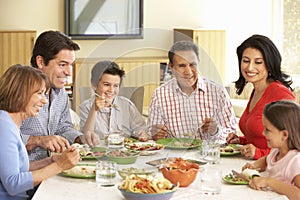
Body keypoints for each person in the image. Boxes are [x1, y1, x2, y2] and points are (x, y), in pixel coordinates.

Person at [0, 64, 80, 200]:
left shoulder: (9, 122)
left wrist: (50, 161)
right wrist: (59, 166)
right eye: (39, 93)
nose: (44, 100)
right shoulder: (4, 127)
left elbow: (17, 169)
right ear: (20, 93)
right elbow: (13, 183)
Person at [148, 40, 237, 142]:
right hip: (174, 156)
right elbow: (153, 134)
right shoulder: (160, 95)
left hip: (208, 155)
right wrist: (155, 135)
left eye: (192, 64)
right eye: (182, 66)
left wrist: (216, 131)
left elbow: (233, 134)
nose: (188, 72)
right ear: (171, 67)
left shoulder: (218, 92)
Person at [226, 34, 296, 160]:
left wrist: (259, 153)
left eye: (258, 62)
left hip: (274, 172)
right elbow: (260, 138)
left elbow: (292, 147)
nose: (250, 67)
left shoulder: (281, 95)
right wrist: (241, 141)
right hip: (254, 165)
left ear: (269, 64)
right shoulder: (257, 90)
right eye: (246, 61)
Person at [20, 30, 83, 162]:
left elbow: (63, 128)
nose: (68, 72)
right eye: (62, 65)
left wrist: (80, 138)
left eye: (70, 65)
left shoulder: (61, 94)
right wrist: (37, 140)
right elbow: (4, 137)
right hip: (23, 172)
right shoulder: (18, 91)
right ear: (41, 62)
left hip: (48, 165)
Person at [79, 60, 149, 147]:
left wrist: (142, 134)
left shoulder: (127, 105)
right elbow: (85, 138)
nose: (111, 90)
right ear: (94, 85)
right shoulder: (85, 107)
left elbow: (142, 129)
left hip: (125, 154)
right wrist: (94, 109)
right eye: (106, 84)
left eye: (116, 85)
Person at [242, 100, 300, 200]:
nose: (263, 133)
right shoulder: (276, 151)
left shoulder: (295, 161)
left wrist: (269, 182)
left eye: (267, 130)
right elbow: (266, 160)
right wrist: (254, 166)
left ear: (284, 135)